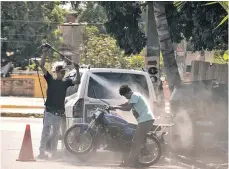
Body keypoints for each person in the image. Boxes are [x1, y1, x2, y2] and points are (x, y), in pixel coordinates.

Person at [34, 47, 81, 159]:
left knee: (55, 135)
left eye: (64, 72)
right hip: (49, 111)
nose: (63, 74)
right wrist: (44, 53)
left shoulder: (66, 82)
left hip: (59, 113)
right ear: (56, 72)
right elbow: (41, 66)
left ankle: (54, 153)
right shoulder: (50, 79)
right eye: (61, 72)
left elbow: (77, 81)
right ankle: (41, 153)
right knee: (45, 133)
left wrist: (77, 70)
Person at [110, 85, 155, 168]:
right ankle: (130, 161)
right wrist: (113, 106)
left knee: (136, 142)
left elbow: (128, 108)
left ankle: (133, 163)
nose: (125, 98)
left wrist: (116, 107)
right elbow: (125, 104)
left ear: (128, 92)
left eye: (125, 95)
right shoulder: (132, 97)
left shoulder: (134, 95)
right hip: (144, 120)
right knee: (135, 140)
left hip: (146, 120)